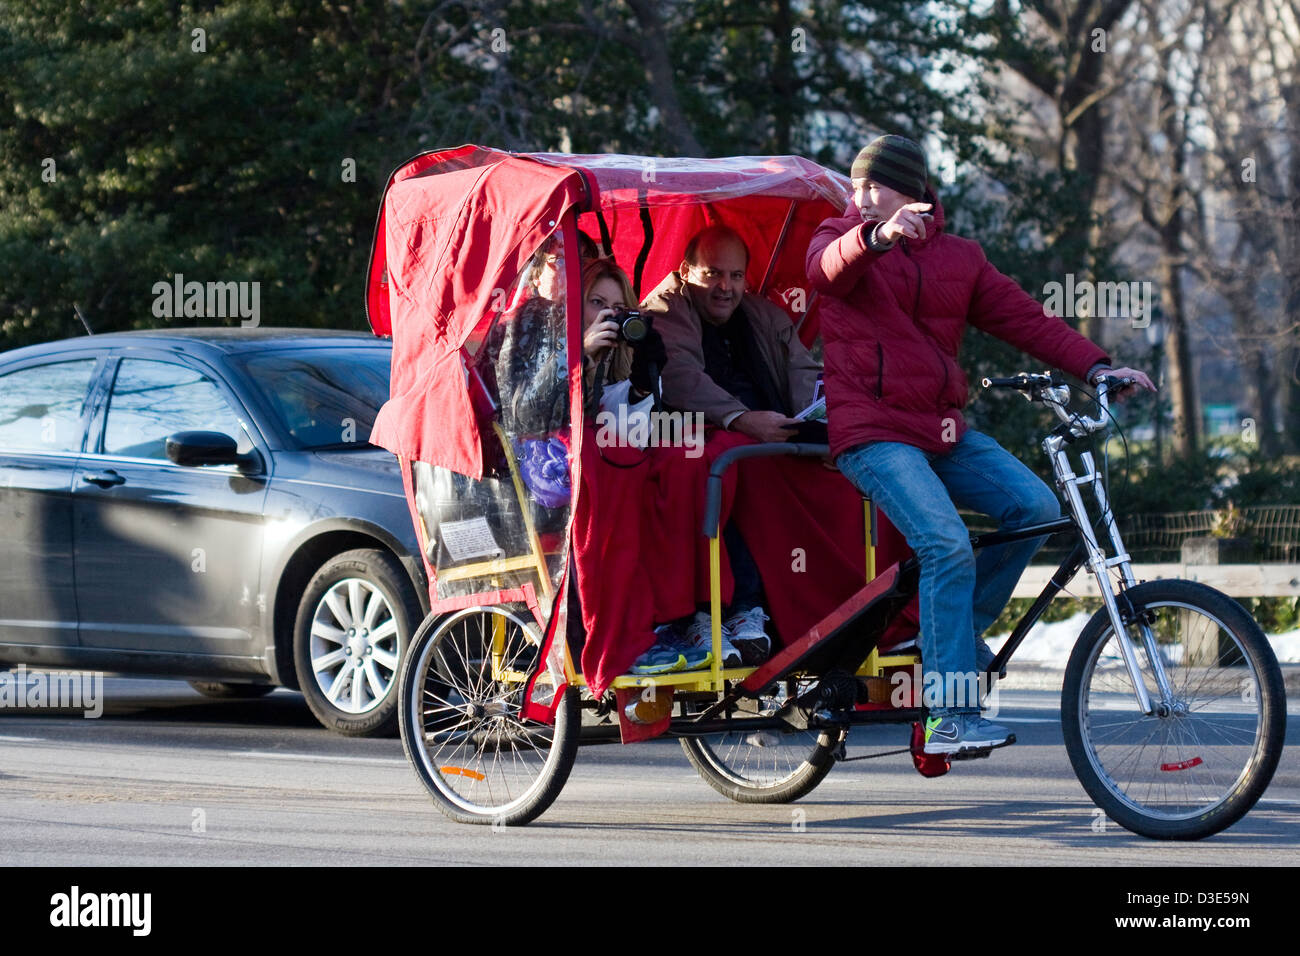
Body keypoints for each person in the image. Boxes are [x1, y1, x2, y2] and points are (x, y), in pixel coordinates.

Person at [807, 134, 1155, 756]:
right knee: (945, 543)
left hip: (941, 429)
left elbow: (1026, 319)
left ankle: (951, 635)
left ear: (911, 191)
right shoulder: (840, 235)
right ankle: (948, 717)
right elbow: (824, 272)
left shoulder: (961, 258)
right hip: (871, 431)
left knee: (1037, 509)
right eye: (855, 185)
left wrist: (1098, 368)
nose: (859, 197)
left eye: (874, 186)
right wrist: (878, 236)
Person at [640, 224, 822, 664]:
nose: (726, 287)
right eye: (713, 274)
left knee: (843, 473)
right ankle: (722, 610)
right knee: (728, 465)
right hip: (686, 438)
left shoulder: (764, 315)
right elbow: (679, 378)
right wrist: (744, 418)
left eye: (736, 276)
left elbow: (803, 372)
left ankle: (832, 613)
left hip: (771, 438)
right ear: (686, 272)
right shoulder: (662, 310)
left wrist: (819, 422)